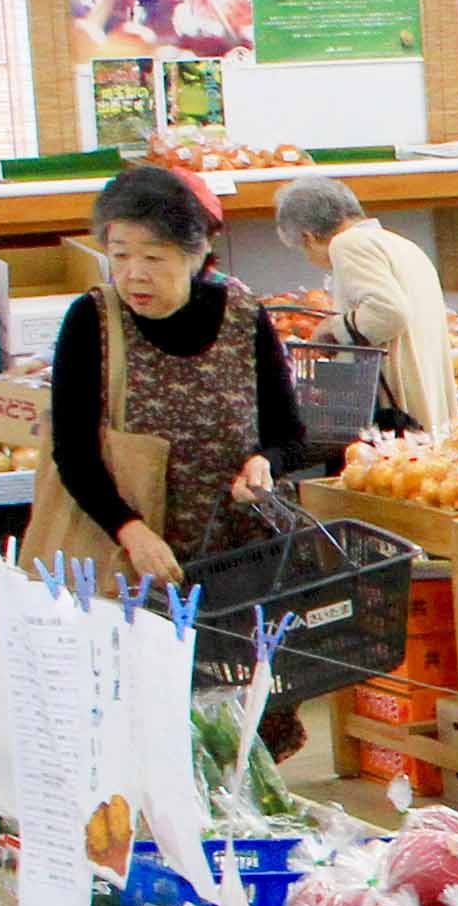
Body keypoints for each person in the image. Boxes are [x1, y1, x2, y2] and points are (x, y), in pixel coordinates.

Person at [39, 161, 309, 588]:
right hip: (135, 561)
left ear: (194, 254)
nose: (134, 274)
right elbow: (74, 455)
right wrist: (130, 531)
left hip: (245, 557)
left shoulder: (242, 315)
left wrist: (265, 463)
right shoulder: (93, 321)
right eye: (120, 255)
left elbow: (290, 437)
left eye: (152, 257)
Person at [275, 172, 450, 432]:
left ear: (309, 237)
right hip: (428, 404)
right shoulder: (402, 245)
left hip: (396, 411)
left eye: (304, 249)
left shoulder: (348, 243)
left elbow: (389, 312)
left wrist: (332, 329)